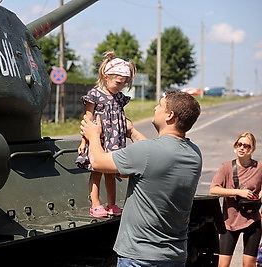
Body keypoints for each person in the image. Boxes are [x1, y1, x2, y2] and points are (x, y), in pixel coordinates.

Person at [80, 89, 202, 266]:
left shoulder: (146, 152)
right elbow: (155, 155)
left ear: (169, 115)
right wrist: (133, 132)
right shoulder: (194, 153)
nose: (155, 107)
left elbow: (98, 162)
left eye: (159, 105)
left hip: (140, 256)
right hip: (175, 255)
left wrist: (93, 136)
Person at [75, 51, 136, 217]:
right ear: (105, 75)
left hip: (114, 141)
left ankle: (112, 205)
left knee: (111, 173)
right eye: (117, 82)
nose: (119, 87)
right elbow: (88, 119)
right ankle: (95, 204)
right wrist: (83, 141)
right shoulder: (95, 95)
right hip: (98, 140)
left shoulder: (119, 97)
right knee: (96, 173)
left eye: (123, 84)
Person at [209, 132, 262, 267]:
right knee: (223, 264)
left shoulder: (259, 167)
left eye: (246, 146)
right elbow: (214, 189)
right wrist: (239, 192)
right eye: (239, 144)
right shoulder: (226, 167)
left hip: (253, 220)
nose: (242, 148)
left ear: (252, 149)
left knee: (249, 264)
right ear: (235, 146)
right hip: (230, 221)